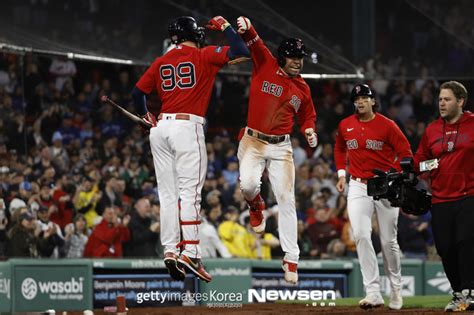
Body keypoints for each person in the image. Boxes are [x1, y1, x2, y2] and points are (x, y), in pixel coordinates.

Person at [131, 16, 249, 283]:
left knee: (168, 196)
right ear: (192, 34)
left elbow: (137, 93)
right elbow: (242, 52)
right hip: (186, 126)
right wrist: (227, 28)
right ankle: (192, 254)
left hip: (160, 129)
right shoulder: (203, 55)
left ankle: (171, 250)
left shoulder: (161, 61)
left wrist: (145, 116)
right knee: (190, 195)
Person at [235, 16, 317, 284]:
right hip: (253, 141)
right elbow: (253, 41)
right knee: (247, 185)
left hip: (281, 146)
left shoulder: (303, 88)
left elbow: (308, 116)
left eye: (300, 57)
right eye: (293, 57)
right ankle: (255, 203)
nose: (297, 61)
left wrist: (308, 129)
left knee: (286, 200)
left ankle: (291, 258)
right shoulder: (265, 63)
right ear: (282, 57)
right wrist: (247, 26)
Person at [334, 83, 412, 310]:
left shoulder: (387, 125)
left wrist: (393, 175)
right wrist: (341, 174)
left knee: (388, 241)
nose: (359, 102)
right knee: (360, 234)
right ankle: (373, 291)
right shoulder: (345, 125)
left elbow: (406, 152)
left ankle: (396, 289)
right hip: (358, 185)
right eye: (356, 99)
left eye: (364, 98)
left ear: (373, 101)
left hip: (385, 186)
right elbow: (339, 148)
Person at [414, 81, 474, 312]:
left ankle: (470, 291)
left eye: (447, 99)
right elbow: (419, 162)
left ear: (460, 101)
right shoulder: (431, 130)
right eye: (440, 99)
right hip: (440, 198)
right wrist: (429, 164)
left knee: (466, 241)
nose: (441, 102)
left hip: (469, 195)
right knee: (445, 247)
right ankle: (458, 292)